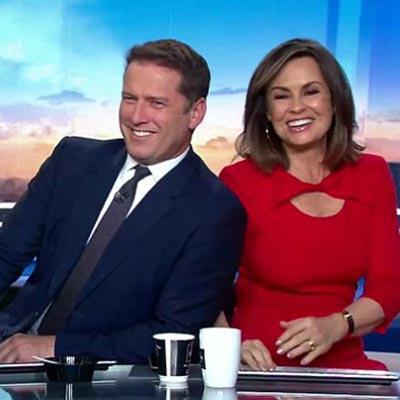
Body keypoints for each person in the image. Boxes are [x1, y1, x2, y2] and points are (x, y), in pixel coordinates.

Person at [0, 39, 247, 363]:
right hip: (9, 345)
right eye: (129, 98)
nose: (137, 116)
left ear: (195, 113)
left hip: (106, 374)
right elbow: (6, 253)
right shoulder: (72, 160)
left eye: (156, 103)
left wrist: (56, 347)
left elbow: (174, 332)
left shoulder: (214, 211)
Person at [219, 38, 400, 370]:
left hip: (343, 366)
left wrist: (337, 325)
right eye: (281, 96)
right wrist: (231, 344)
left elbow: (389, 288)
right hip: (258, 367)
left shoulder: (371, 174)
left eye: (311, 91)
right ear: (266, 111)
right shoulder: (239, 181)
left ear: (335, 100)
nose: (296, 107)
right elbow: (199, 285)